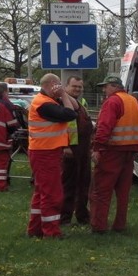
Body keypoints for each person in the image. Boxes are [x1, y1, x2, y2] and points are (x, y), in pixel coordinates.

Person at [90, 74, 138, 234]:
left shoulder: (112, 101)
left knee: (101, 190)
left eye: (105, 86)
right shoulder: (133, 101)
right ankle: (119, 224)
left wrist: (97, 148)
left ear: (113, 86)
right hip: (131, 151)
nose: (104, 90)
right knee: (123, 191)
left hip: (112, 150)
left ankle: (99, 226)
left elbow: (105, 126)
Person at [27, 74, 79, 238]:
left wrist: (63, 94)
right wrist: (63, 94)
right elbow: (71, 115)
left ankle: (35, 229)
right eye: (58, 85)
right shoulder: (44, 104)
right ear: (51, 85)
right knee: (52, 194)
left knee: (41, 192)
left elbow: (75, 107)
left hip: (45, 151)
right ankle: (51, 231)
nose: (61, 87)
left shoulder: (47, 100)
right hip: (45, 152)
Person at [61, 75, 94, 225]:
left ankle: (82, 215)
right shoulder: (62, 102)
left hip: (83, 149)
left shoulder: (81, 103)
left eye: (80, 87)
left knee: (84, 183)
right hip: (70, 150)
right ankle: (64, 217)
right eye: (74, 86)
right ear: (66, 87)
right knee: (69, 184)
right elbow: (62, 126)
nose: (77, 89)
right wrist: (66, 146)